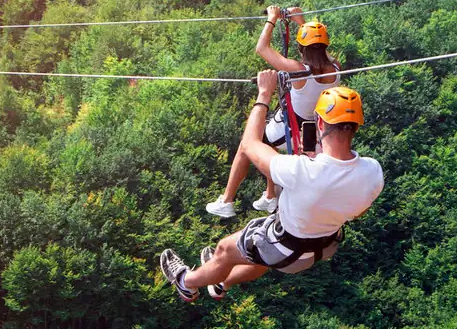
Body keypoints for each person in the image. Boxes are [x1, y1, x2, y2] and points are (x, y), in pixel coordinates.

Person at [161, 70, 384, 302]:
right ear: (357, 126)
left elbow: (249, 144)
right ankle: (222, 283)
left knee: (224, 250)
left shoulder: (301, 170)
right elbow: (358, 211)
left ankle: (186, 283)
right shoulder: (373, 172)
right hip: (322, 247)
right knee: (260, 256)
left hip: (284, 247)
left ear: (319, 122)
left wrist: (264, 94)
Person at [206, 6, 342, 218]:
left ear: (301, 47)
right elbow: (320, 50)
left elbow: (262, 48)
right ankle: (270, 196)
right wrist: (301, 22)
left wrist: (271, 19)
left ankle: (227, 200)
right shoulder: (336, 68)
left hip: (291, 127)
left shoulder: (298, 70)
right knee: (269, 143)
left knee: (247, 144)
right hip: (312, 130)